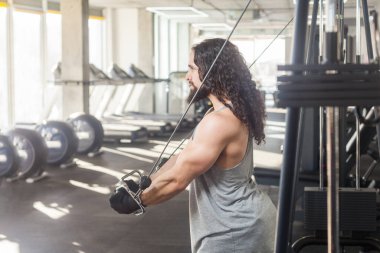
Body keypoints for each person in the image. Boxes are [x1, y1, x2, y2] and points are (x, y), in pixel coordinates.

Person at [110, 38, 277, 253]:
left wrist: (136, 202)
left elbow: (178, 180)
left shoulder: (219, 122)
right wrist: (149, 181)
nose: (187, 76)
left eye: (192, 69)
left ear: (210, 70)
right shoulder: (222, 111)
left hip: (234, 231)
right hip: (238, 222)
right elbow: (182, 158)